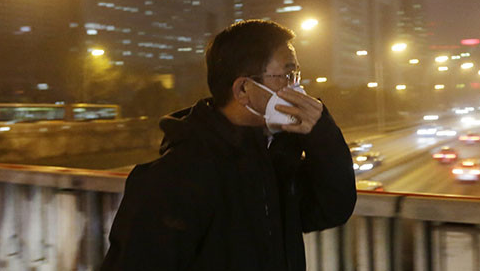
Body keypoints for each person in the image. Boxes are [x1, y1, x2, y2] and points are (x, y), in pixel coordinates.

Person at [101, 20, 356, 270]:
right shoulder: (174, 178)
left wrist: (321, 134)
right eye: (286, 75)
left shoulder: (273, 160)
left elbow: (332, 208)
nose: (297, 87)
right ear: (244, 88)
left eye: (297, 75)